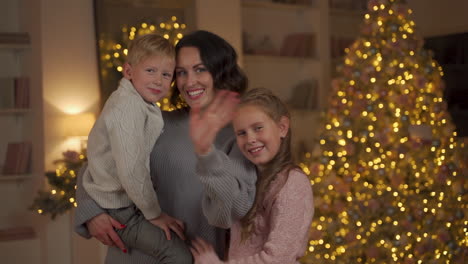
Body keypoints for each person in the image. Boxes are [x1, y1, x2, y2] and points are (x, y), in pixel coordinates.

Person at [74, 30, 257, 264]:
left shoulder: (241, 135)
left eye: (200, 69)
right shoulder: (156, 121)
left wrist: (206, 154)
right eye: (181, 73)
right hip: (131, 257)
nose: (189, 82)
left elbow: (233, 211)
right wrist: (92, 212)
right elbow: (98, 165)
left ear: (220, 70)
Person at [81, 33, 192, 262]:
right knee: (178, 256)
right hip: (120, 210)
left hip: (125, 205)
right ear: (129, 71)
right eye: (150, 71)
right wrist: (155, 215)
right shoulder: (127, 109)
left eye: (166, 74)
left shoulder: (143, 106)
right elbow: (131, 169)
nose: (158, 81)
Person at [190, 88, 314, 264]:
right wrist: (205, 151)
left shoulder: (293, 183)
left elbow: (279, 258)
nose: (250, 139)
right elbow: (223, 209)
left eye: (258, 128)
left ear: (282, 128)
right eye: (242, 133)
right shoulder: (249, 176)